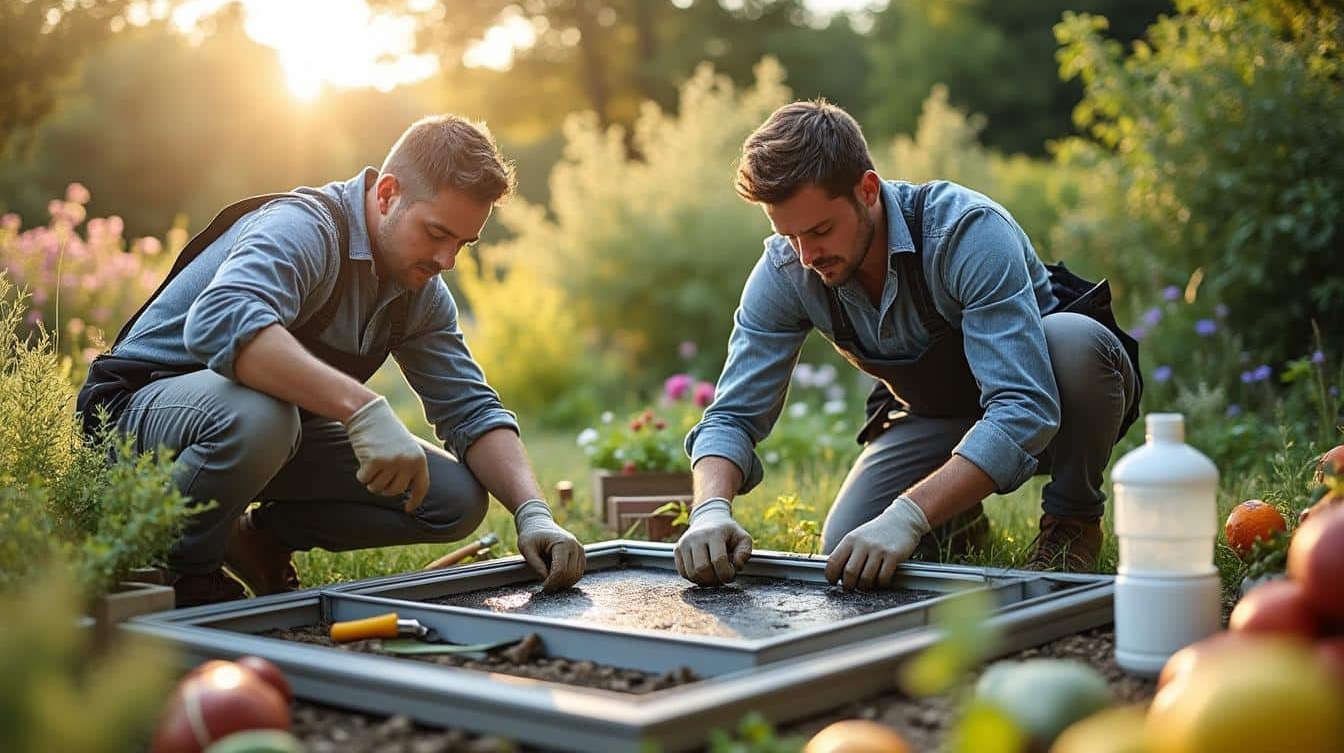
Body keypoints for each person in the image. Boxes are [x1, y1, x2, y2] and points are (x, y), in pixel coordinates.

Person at [77, 115, 585, 607]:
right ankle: (184, 572)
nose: (446, 260)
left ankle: (258, 538)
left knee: (452, 499)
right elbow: (220, 320)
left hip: (259, 436)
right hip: (133, 420)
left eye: (462, 243)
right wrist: (362, 408)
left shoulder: (419, 290)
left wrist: (533, 512)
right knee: (260, 416)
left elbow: (470, 410)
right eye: (436, 234)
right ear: (387, 194)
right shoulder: (304, 228)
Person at [673, 101, 1141, 590]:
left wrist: (908, 517)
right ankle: (955, 522)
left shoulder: (966, 233)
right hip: (935, 416)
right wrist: (709, 509)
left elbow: (1024, 407)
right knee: (848, 547)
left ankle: (1072, 520)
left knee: (1074, 341)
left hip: (1053, 406)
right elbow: (732, 416)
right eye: (788, 235)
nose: (807, 256)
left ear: (867, 189)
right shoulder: (786, 270)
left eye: (820, 231)